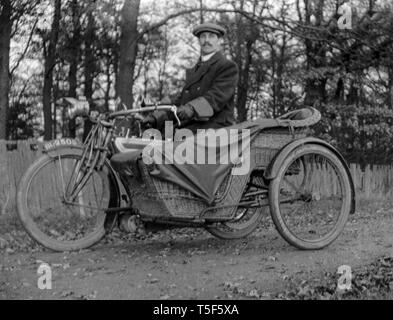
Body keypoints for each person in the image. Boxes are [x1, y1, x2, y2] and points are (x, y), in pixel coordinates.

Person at [142, 22, 239, 134]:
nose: (206, 40)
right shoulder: (194, 70)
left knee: (170, 143)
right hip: (194, 127)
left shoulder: (227, 66)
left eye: (211, 36)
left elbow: (216, 96)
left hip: (216, 128)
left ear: (219, 41)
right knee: (158, 138)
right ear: (199, 40)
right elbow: (180, 101)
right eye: (203, 36)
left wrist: (192, 108)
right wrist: (155, 118)